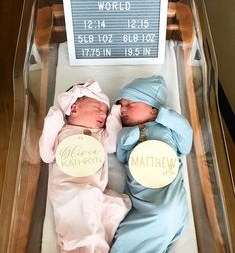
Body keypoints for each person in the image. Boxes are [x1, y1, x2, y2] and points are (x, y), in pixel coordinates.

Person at [39, 79, 131, 253]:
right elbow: (46, 155)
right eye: (98, 109)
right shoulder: (63, 132)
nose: (103, 115)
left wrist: (114, 116)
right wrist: (52, 122)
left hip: (94, 191)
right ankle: (83, 247)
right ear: (74, 109)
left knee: (116, 208)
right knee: (82, 204)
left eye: (106, 112)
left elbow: (113, 145)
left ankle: (94, 246)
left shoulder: (100, 136)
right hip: (67, 190)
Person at [110, 75, 193, 253]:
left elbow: (186, 143)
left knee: (162, 215)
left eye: (129, 104)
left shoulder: (168, 129)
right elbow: (121, 155)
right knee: (126, 235)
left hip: (165, 195)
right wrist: (136, 132)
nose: (122, 110)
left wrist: (164, 115)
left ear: (153, 109)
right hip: (141, 199)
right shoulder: (128, 133)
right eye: (121, 105)